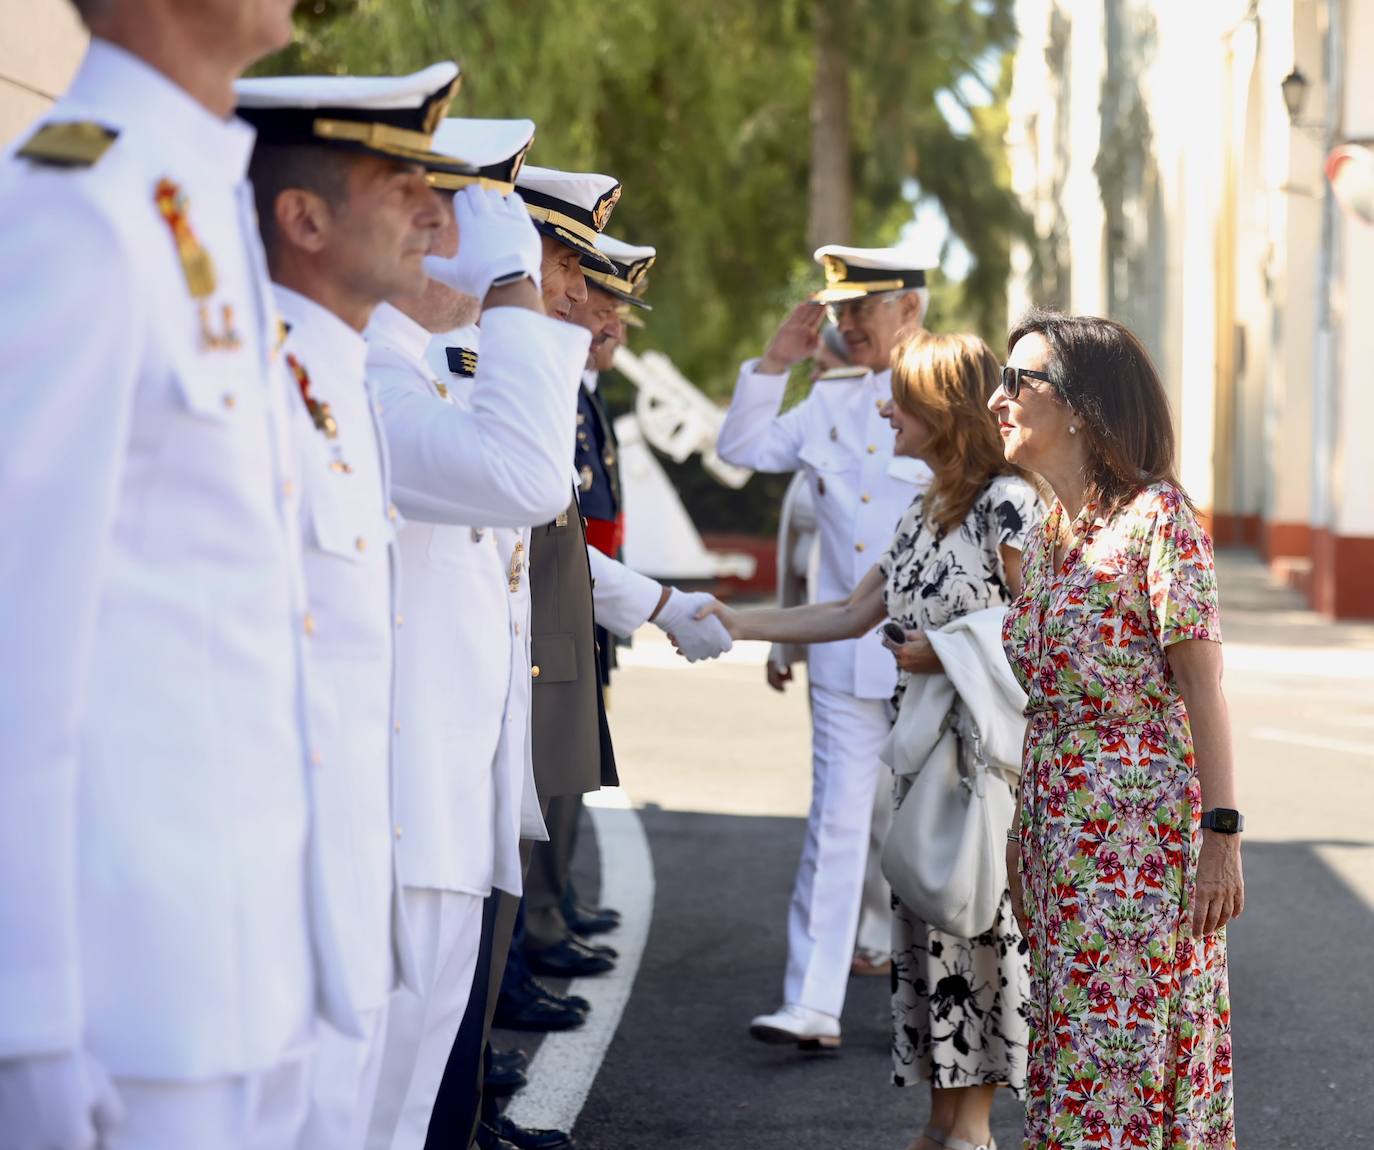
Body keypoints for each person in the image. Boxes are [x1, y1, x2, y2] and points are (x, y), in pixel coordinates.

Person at [0, 2, 353, 1147]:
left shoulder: (190, 193)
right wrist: (28, 1024)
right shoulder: (77, 209)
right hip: (129, 1006)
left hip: (246, 972)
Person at [699, 332, 1038, 1150]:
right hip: (920, 765)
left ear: (944, 414)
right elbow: (853, 613)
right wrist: (736, 622)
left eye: (902, 398)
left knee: (979, 942)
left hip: (983, 776)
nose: (884, 407)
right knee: (926, 941)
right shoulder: (922, 507)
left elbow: (1047, 631)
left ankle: (971, 1132)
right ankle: (942, 1127)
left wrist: (949, 654)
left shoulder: (1013, 505)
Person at [236, 64, 474, 1150]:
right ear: (304, 218)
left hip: (349, 905)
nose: (437, 214)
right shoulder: (252, 385)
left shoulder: (343, 386)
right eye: (399, 183)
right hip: (253, 930)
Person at [359, 124, 579, 1150]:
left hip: (443, 809)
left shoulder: (432, 364)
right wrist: (512, 289)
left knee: (402, 1119)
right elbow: (532, 479)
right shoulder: (370, 373)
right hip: (391, 824)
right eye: (462, 212)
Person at [994, 310, 1242, 1150]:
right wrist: (1024, 831)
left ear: (1080, 405)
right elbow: (1044, 704)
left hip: (1140, 839)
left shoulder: (1158, 519)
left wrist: (1223, 835)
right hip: (1060, 834)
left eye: (1018, 380)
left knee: (1128, 1054)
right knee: (1071, 1048)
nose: (998, 398)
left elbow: (1203, 688)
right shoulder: (1045, 532)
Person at [715, 245, 932, 1048]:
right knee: (835, 827)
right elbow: (742, 451)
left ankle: (963, 1006)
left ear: (908, 310)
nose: (846, 325)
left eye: (861, 310)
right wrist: (774, 363)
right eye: (840, 311)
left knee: (948, 829)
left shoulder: (962, 402)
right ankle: (812, 1003)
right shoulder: (834, 403)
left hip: (941, 666)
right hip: (847, 656)